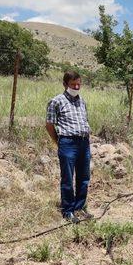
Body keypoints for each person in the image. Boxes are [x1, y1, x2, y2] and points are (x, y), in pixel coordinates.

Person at [45, 70, 92, 223]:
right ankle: (68, 211)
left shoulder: (82, 101)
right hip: (67, 143)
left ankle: (79, 207)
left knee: (84, 177)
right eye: (73, 84)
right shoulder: (56, 101)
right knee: (67, 178)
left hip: (84, 143)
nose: (76, 87)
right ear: (65, 84)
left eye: (79, 84)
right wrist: (57, 141)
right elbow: (49, 124)